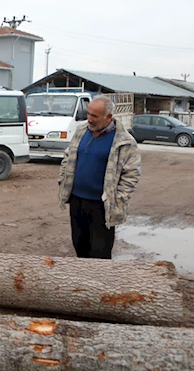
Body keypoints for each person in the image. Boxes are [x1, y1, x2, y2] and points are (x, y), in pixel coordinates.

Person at [58, 96, 141, 259]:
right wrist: (63, 180)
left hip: (102, 206)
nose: (89, 119)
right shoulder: (81, 131)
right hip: (77, 201)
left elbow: (132, 174)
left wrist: (119, 198)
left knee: (100, 252)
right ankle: (83, 282)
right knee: (79, 244)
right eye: (88, 114)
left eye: (94, 116)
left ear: (109, 117)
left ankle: (100, 283)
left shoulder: (124, 141)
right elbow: (68, 156)